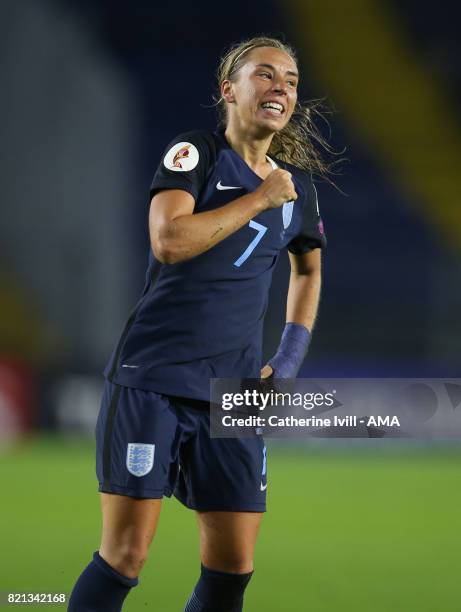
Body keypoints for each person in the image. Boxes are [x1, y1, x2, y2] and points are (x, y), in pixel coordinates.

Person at [68, 35, 328, 612]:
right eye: (264, 75)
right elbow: (168, 241)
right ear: (228, 90)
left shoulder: (296, 189)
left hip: (234, 394)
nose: (280, 88)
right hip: (153, 377)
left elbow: (308, 271)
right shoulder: (196, 154)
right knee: (126, 556)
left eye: (290, 80)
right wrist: (259, 199)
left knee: (233, 565)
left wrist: (286, 361)